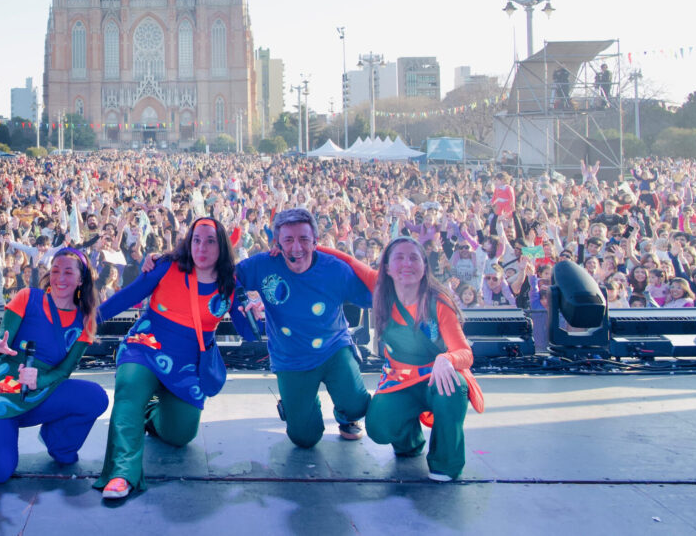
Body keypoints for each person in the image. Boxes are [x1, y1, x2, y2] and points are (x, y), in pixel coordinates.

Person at [93, 217, 253, 500]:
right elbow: (127, 297)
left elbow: (249, 332)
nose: (202, 247)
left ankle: (148, 414)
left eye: (211, 241)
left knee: (181, 435)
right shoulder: (166, 266)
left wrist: (257, 310)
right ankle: (122, 473)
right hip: (145, 346)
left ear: (223, 247)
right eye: (197, 240)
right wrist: (88, 320)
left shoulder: (231, 283)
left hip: (186, 365)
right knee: (128, 388)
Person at [235, 208, 376, 448]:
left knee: (357, 406)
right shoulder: (263, 264)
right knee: (304, 438)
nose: (296, 248)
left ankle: (345, 414)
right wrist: (243, 299)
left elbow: (370, 296)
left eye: (304, 239)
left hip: (334, 349)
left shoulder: (335, 268)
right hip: (291, 357)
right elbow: (229, 277)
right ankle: (302, 403)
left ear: (315, 242)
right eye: (288, 240)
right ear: (277, 243)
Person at [0, 249, 108, 484]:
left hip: (40, 393)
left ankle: (58, 442)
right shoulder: (27, 297)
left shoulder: (85, 319)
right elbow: (4, 340)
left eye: (68, 272)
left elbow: (64, 371)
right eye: (55, 271)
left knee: (95, 398)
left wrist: (38, 380)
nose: (60, 278)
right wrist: (0, 347)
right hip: (2, 392)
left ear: (81, 279)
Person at [366, 237, 484, 482]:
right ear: (386, 267)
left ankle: (446, 462)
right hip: (401, 380)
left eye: (414, 257)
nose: (406, 263)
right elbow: (347, 262)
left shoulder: (439, 302)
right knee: (378, 426)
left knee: (453, 389)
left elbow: (465, 353)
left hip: (436, 378)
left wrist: (447, 359)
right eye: (399, 257)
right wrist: (301, 245)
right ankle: (410, 440)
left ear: (424, 266)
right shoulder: (381, 294)